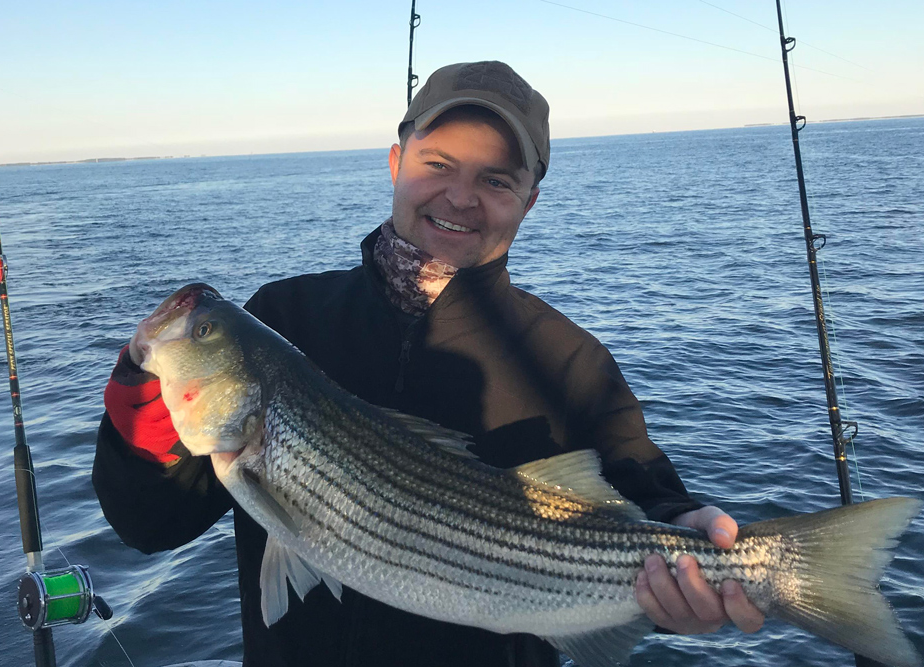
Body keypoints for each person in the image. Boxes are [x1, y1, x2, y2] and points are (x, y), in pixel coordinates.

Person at [93, 60, 763, 667]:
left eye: (495, 179)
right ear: (395, 162)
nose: (461, 197)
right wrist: (141, 411)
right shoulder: (282, 317)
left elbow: (643, 492)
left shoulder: (571, 361)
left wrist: (687, 536)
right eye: (437, 165)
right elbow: (150, 524)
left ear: (529, 199)